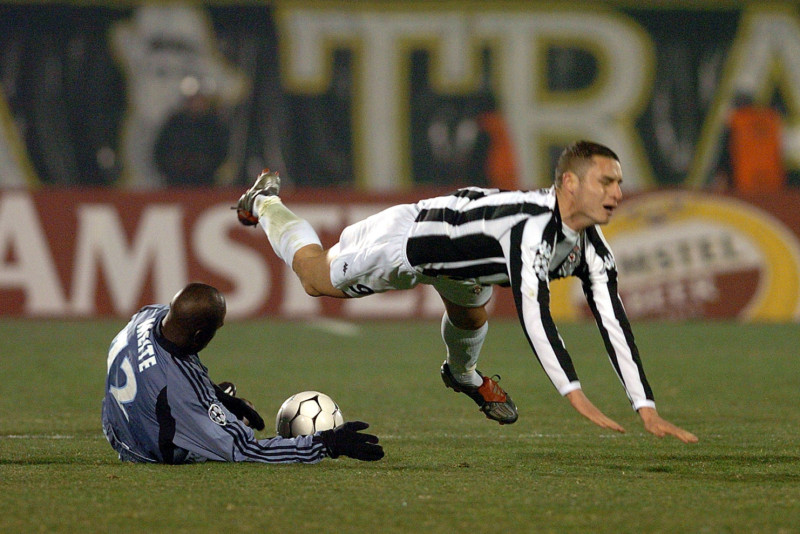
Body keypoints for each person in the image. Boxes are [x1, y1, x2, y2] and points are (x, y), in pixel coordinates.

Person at [236, 141, 698, 443]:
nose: (617, 193)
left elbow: (614, 323)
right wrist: (573, 392)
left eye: (619, 182)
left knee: (471, 317)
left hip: (464, 264)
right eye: (606, 182)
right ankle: (265, 201)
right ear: (570, 184)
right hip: (407, 246)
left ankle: (464, 377)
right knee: (314, 277)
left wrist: (644, 405)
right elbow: (536, 316)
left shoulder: (591, 249)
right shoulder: (532, 231)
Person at [101, 282, 384, 464]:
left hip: (116, 424)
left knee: (221, 402)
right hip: (149, 450)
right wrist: (328, 443)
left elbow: (168, 368)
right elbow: (246, 451)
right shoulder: (179, 388)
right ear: (200, 335)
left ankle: (212, 403)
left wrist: (222, 398)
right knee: (236, 435)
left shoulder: (148, 316)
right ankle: (208, 411)